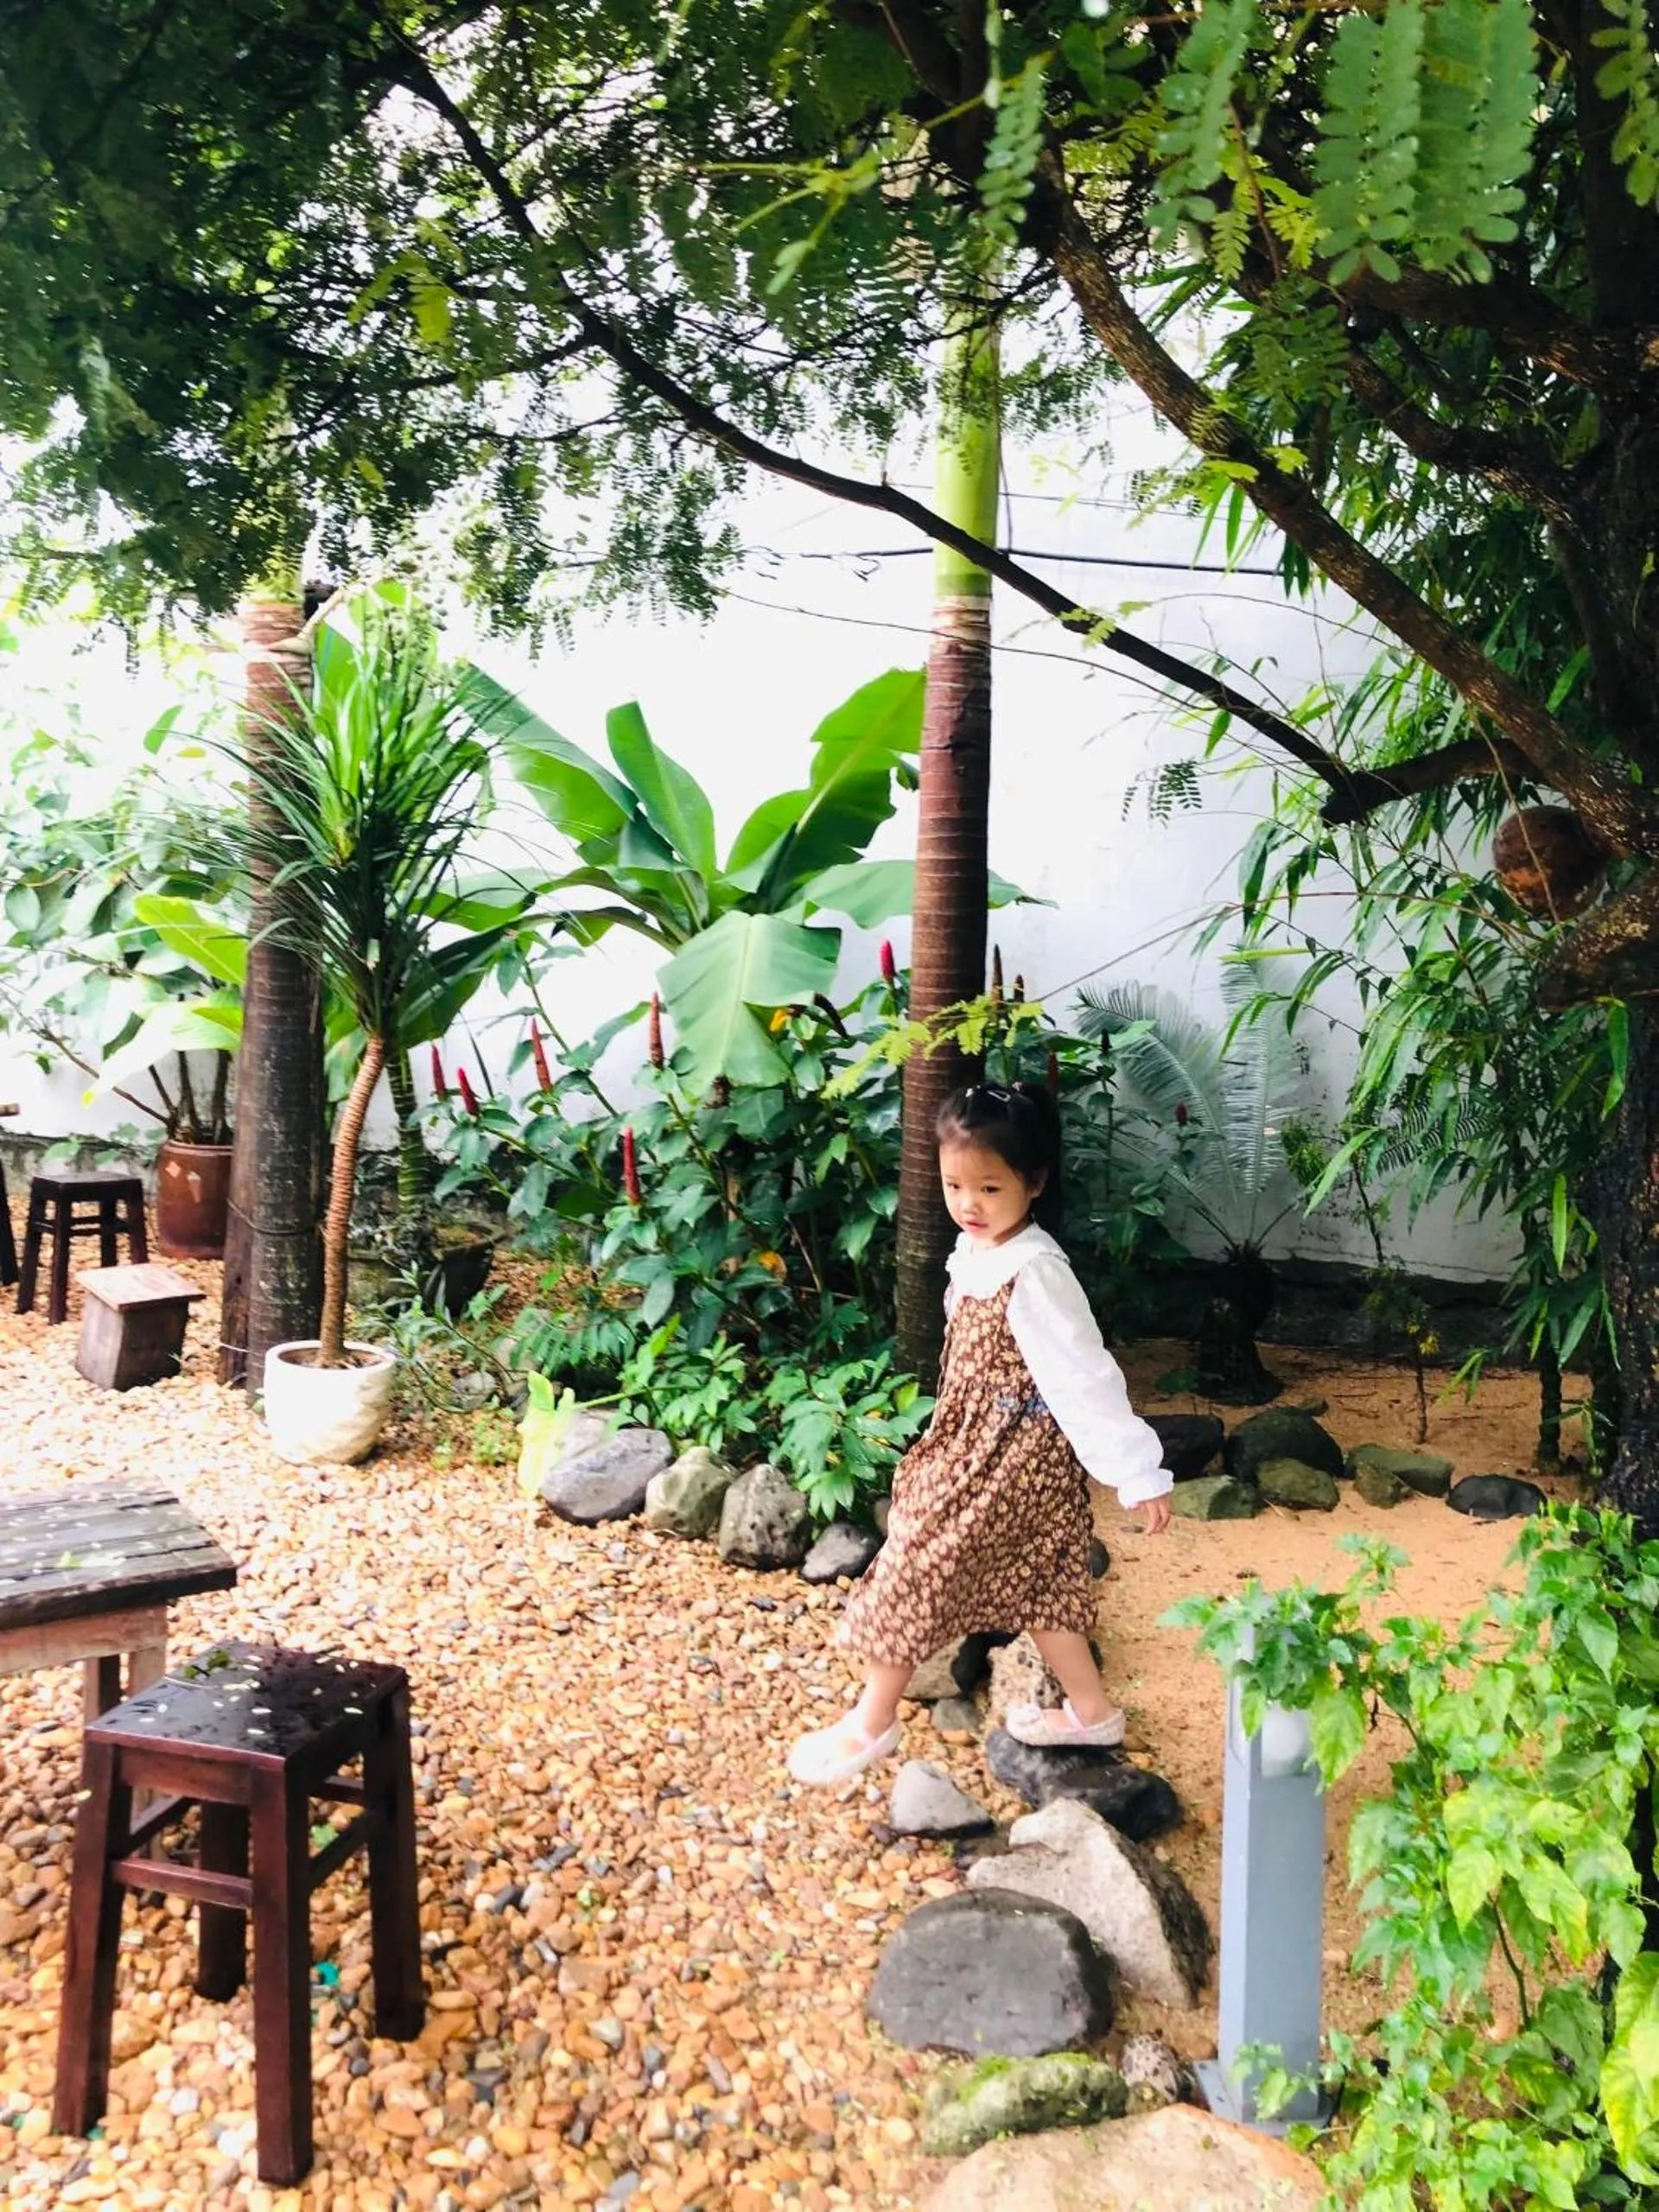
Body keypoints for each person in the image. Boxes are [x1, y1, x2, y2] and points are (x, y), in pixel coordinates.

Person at [788, 1078, 1173, 1789]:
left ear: (1033, 1182)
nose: (969, 1204)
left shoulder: (1036, 1270)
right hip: (973, 1444)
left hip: (1010, 1459)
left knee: (915, 1562)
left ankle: (872, 1720)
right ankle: (1091, 1711)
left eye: (990, 1189)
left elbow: (1084, 1374)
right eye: (955, 1185)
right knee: (1042, 1580)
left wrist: (1135, 1470)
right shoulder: (977, 1253)